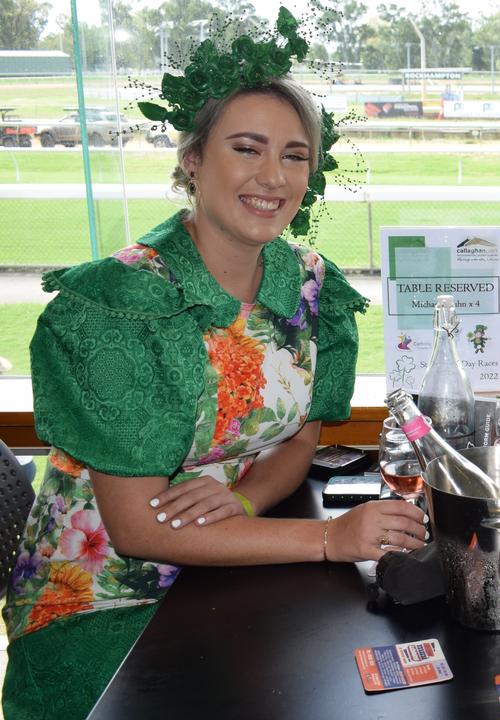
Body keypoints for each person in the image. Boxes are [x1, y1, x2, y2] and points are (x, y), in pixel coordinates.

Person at [2, 12, 426, 719]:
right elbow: (137, 529)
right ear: (193, 159)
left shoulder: (309, 282)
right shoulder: (121, 304)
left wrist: (248, 498)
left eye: (294, 155)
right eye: (247, 149)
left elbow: (297, 445)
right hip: (110, 604)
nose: (273, 177)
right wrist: (330, 538)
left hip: (238, 566)